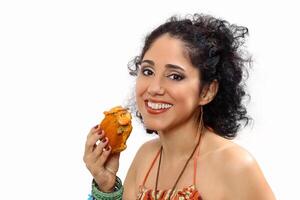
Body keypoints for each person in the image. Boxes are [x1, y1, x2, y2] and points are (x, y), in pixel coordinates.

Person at [83, 13, 276, 200]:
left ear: (207, 91)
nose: (154, 88)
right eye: (148, 71)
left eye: (175, 76)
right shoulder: (146, 157)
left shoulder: (234, 165)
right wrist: (106, 187)